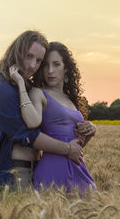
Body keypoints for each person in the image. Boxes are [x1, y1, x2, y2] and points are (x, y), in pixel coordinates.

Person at [0, 31, 84, 189]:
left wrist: (86, 129)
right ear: (16, 53)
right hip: (13, 173)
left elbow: (52, 127)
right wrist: (67, 149)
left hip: (37, 169)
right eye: (29, 56)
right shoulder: (0, 89)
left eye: (39, 60)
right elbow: (25, 135)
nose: (33, 65)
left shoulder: (26, 90)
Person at [9, 41, 96, 193]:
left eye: (56, 64)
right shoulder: (38, 93)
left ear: (66, 68)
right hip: (52, 171)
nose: (50, 70)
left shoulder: (71, 100)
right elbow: (32, 121)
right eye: (45, 65)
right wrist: (21, 84)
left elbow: (78, 144)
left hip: (77, 168)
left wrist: (91, 130)